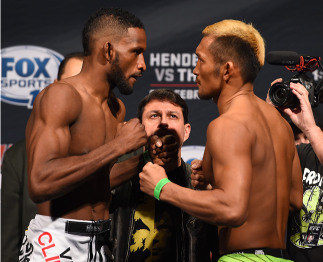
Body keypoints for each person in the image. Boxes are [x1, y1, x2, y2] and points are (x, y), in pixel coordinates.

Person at [138, 19, 303, 262]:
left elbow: (232, 209)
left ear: (227, 70)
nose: (194, 70)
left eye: (200, 60)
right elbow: (294, 201)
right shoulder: (279, 124)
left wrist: (162, 187)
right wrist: (214, 183)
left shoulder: (227, 125)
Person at [19, 7, 150, 262]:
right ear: (108, 50)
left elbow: (97, 178)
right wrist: (118, 146)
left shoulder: (115, 108)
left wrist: (143, 162)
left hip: (100, 242)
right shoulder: (62, 96)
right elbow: (40, 182)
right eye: (136, 52)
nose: (143, 65)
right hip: (55, 243)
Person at [109, 89, 217, 262]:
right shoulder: (120, 181)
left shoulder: (200, 184)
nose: (163, 123)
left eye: (173, 116)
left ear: (186, 131)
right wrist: (146, 158)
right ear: (140, 130)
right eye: (154, 116)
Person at [0, 51, 84, 262]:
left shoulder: (120, 151)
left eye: (86, 88)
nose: (77, 95)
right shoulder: (19, 157)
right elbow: (9, 244)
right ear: (55, 87)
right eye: (71, 85)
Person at [270, 81, 323, 262]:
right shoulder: (295, 157)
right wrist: (270, 113)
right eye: (297, 137)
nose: (303, 142)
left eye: (307, 137)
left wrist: (310, 128)